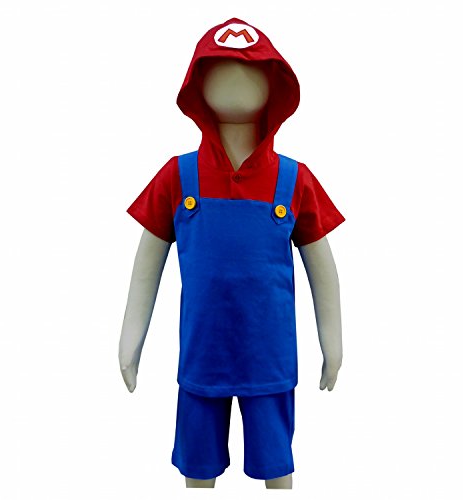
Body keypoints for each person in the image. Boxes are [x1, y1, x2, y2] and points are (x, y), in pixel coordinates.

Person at [119, 18, 345, 489]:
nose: (235, 80)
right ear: (197, 85)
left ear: (274, 84)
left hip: (271, 359)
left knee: (277, 473)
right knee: (198, 473)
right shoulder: (178, 176)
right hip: (202, 356)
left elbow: (323, 269)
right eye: (218, 69)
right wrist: (129, 342)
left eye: (250, 69)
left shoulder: (294, 178)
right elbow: (145, 268)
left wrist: (333, 344)